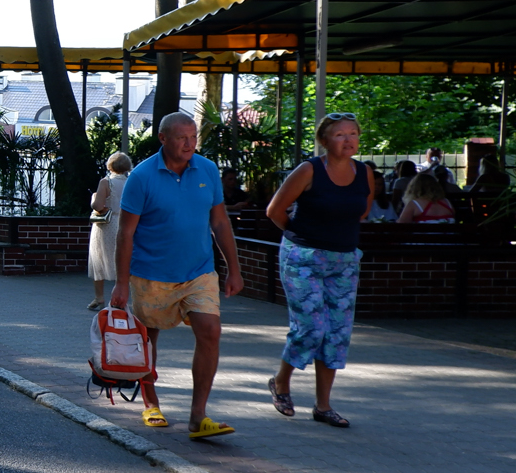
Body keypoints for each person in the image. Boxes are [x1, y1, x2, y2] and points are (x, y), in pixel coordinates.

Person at [112, 112, 245, 440]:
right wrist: (121, 282)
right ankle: (151, 402)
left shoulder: (208, 170)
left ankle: (198, 416)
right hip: (151, 273)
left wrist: (234, 268)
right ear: (163, 139)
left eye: (193, 136)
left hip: (198, 272)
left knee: (210, 331)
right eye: (181, 137)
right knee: (148, 339)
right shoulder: (142, 177)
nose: (189, 143)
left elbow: (219, 222)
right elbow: (125, 233)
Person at [264, 113, 369, 429]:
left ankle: (323, 405)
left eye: (353, 133)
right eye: (339, 134)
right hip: (303, 258)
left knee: (337, 333)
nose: (348, 140)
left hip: (344, 260)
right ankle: (281, 381)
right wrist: (303, 238)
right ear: (324, 140)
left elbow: (362, 210)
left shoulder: (364, 172)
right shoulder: (309, 170)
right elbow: (275, 211)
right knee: (311, 327)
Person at [87, 152, 133, 310]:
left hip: (107, 223)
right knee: (122, 259)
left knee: (99, 258)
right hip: (126, 222)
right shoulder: (130, 182)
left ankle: (99, 297)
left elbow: (98, 206)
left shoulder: (106, 182)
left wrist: (94, 199)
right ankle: (122, 298)